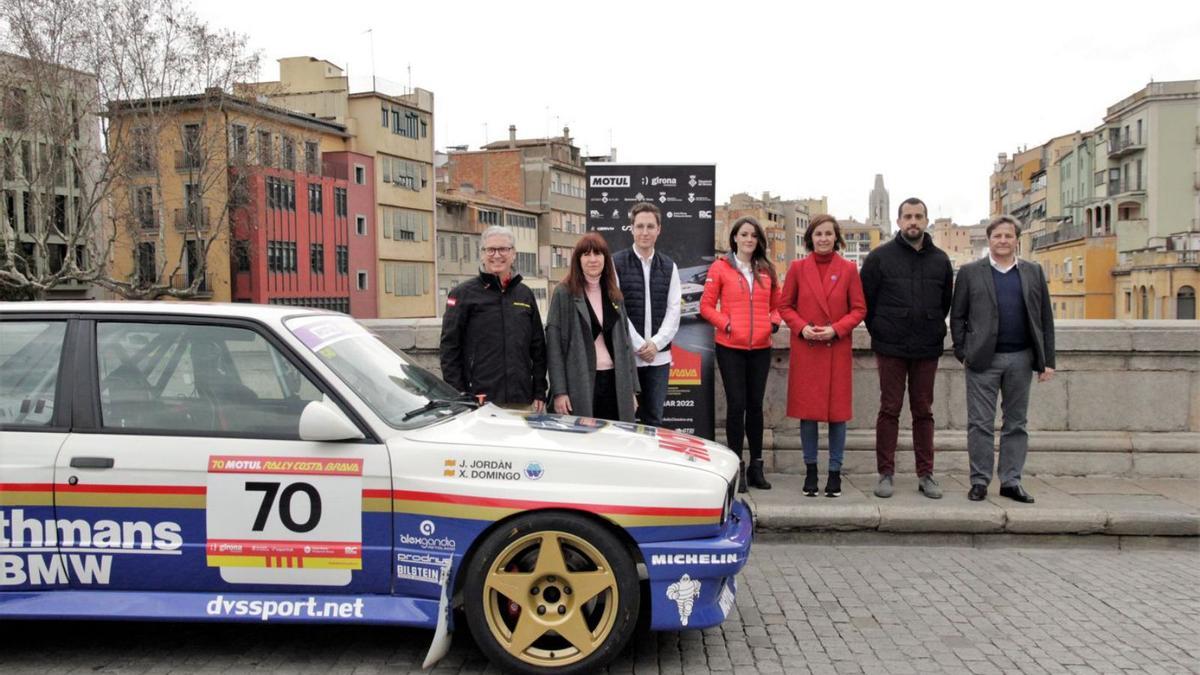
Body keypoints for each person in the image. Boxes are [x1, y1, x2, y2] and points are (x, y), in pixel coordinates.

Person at [951, 215, 1056, 503]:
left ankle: (1011, 481)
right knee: (980, 424)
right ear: (989, 239)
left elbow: (1045, 318)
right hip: (983, 360)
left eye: (1008, 236)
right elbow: (957, 316)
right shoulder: (971, 272)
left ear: (1016, 240)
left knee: (1016, 424)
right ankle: (980, 481)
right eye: (997, 236)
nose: (1003, 241)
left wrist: (1048, 360)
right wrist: (963, 351)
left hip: (1021, 358)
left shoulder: (1033, 272)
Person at [860, 197, 954, 499]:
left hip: (927, 346)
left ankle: (926, 474)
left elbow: (945, 303)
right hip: (890, 347)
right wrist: (884, 331)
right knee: (889, 410)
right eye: (907, 216)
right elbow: (866, 304)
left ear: (926, 220)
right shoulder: (879, 258)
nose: (913, 221)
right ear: (899, 221)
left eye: (918, 216)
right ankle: (885, 473)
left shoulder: (941, 260)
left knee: (923, 411)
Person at [778, 215, 867, 498]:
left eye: (829, 234)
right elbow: (784, 305)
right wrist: (802, 328)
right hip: (807, 349)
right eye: (818, 234)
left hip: (835, 348)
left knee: (838, 415)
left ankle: (835, 472)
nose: (824, 238)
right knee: (808, 415)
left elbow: (859, 309)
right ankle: (811, 471)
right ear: (810, 238)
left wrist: (835, 329)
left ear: (836, 237)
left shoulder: (849, 269)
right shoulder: (797, 268)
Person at [700, 216, 781, 492]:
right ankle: (737, 469)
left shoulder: (766, 269)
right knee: (736, 407)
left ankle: (757, 466)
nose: (749, 240)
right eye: (744, 234)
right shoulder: (720, 267)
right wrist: (728, 324)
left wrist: (773, 322)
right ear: (734, 238)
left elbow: (778, 305)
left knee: (755, 407)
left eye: (754, 236)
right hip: (730, 347)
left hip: (760, 348)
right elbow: (706, 306)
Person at [439, 225, 547, 411]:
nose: (497, 255)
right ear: (482, 254)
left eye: (503, 249)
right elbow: (449, 349)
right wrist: (459, 395)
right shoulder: (463, 294)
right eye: (491, 249)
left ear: (513, 254)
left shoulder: (525, 294)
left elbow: (537, 347)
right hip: (478, 401)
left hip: (521, 398)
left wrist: (539, 390)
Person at [545, 233, 639, 422]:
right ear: (578, 260)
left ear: (606, 258)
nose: (593, 259)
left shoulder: (614, 294)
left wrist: (632, 390)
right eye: (586, 254)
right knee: (585, 441)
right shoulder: (564, 293)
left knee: (615, 441)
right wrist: (559, 392)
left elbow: (626, 344)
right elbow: (554, 347)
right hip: (580, 383)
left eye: (598, 254)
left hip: (615, 382)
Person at [613, 202, 681, 428]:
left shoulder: (669, 266)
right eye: (639, 226)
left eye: (650, 226)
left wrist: (656, 344)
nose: (644, 232)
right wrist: (640, 345)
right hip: (628, 357)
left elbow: (674, 311)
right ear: (631, 228)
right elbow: (617, 309)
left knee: (654, 420)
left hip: (659, 359)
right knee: (626, 419)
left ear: (658, 229)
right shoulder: (616, 263)